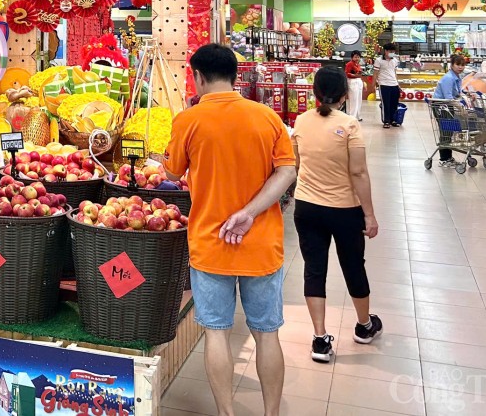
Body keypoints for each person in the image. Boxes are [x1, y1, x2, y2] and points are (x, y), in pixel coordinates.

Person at [163, 44, 297, 416]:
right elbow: (287, 171)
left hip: (210, 243)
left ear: (198, 77)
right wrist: (250, 212)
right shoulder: (266, 116)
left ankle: (226, 412)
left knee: (216, 333)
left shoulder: (189, 120)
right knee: (267, 334)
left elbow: (172, 172)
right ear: (235, 76)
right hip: (261, 244)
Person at [291, 66, 382, 363]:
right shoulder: (349, 125)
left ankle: (320, 339)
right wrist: (369, 215)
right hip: (345, 210)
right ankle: (364, 326)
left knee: (314, 269)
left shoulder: (301, 121)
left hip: (307, 207)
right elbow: (358, 172)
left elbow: (294, 164)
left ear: (315, 92)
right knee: (353, 266)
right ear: (344, 94)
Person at [432, 55, 468, 166]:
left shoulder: (457, 77)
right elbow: (448, 97)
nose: (460, 67)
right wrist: (459, 106)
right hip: (441, 106)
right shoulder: (448, 78)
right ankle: (444, 159)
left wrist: (467, 95)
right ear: (452, 65)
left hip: (447, 106)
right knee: (445, 132)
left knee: (449, 131)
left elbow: (456, 93)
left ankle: (448, 157)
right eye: (458, 64)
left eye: (462, 65)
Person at [374, 43, 401, 127]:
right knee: (386, 103)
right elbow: (375, 73)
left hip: (394, 84)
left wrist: (398, 84)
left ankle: (393, 120)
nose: (392, 53)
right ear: (385, 51)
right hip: (384, 84)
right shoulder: (379, 60)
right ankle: (386, 121)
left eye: (393, 51)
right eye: (390, 51)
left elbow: (394, 72)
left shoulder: (395, 60)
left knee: (394, 103)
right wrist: (373, 84)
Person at [344, 51, 364, 121]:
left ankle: (358, 116)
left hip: (358, 81)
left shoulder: (358, 64)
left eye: (358, 57)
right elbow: (347, 73)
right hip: (352, 82)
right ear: (352, 57)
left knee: (359, 100)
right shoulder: (349, 64)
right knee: (353, 100)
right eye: (355, 57)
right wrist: (355, 75)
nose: (357, 58)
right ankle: (352, 117)